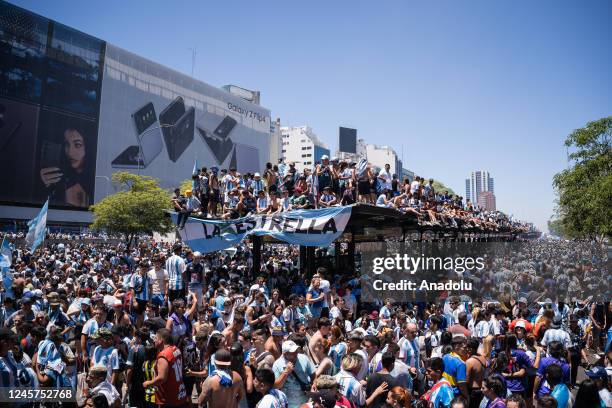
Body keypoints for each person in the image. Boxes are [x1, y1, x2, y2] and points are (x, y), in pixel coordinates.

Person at [39, 128, 92, 207]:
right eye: (67, 144)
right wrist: (42, 186)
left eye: (77, 145)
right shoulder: (59, 178)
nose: (70, 152)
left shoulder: (97, 179)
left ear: (89, 147)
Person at [143, 328, 188, 407]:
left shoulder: (163, 356)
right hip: (180, 394)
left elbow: (161, 378)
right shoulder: (176, 349)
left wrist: (148, 383)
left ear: (161, 341)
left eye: (156, 338)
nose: (154, 341)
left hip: (169, 399)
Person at [273, 340, 315, 408]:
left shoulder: (304, 358)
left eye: (296, 350)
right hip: (289, 404)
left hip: (306, 401)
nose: (295, 353)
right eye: (292, 352)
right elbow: (276, 386)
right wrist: (286, 372)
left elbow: (313, 374)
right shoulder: (277, 364)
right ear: (285, 353)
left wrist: (314, 384)